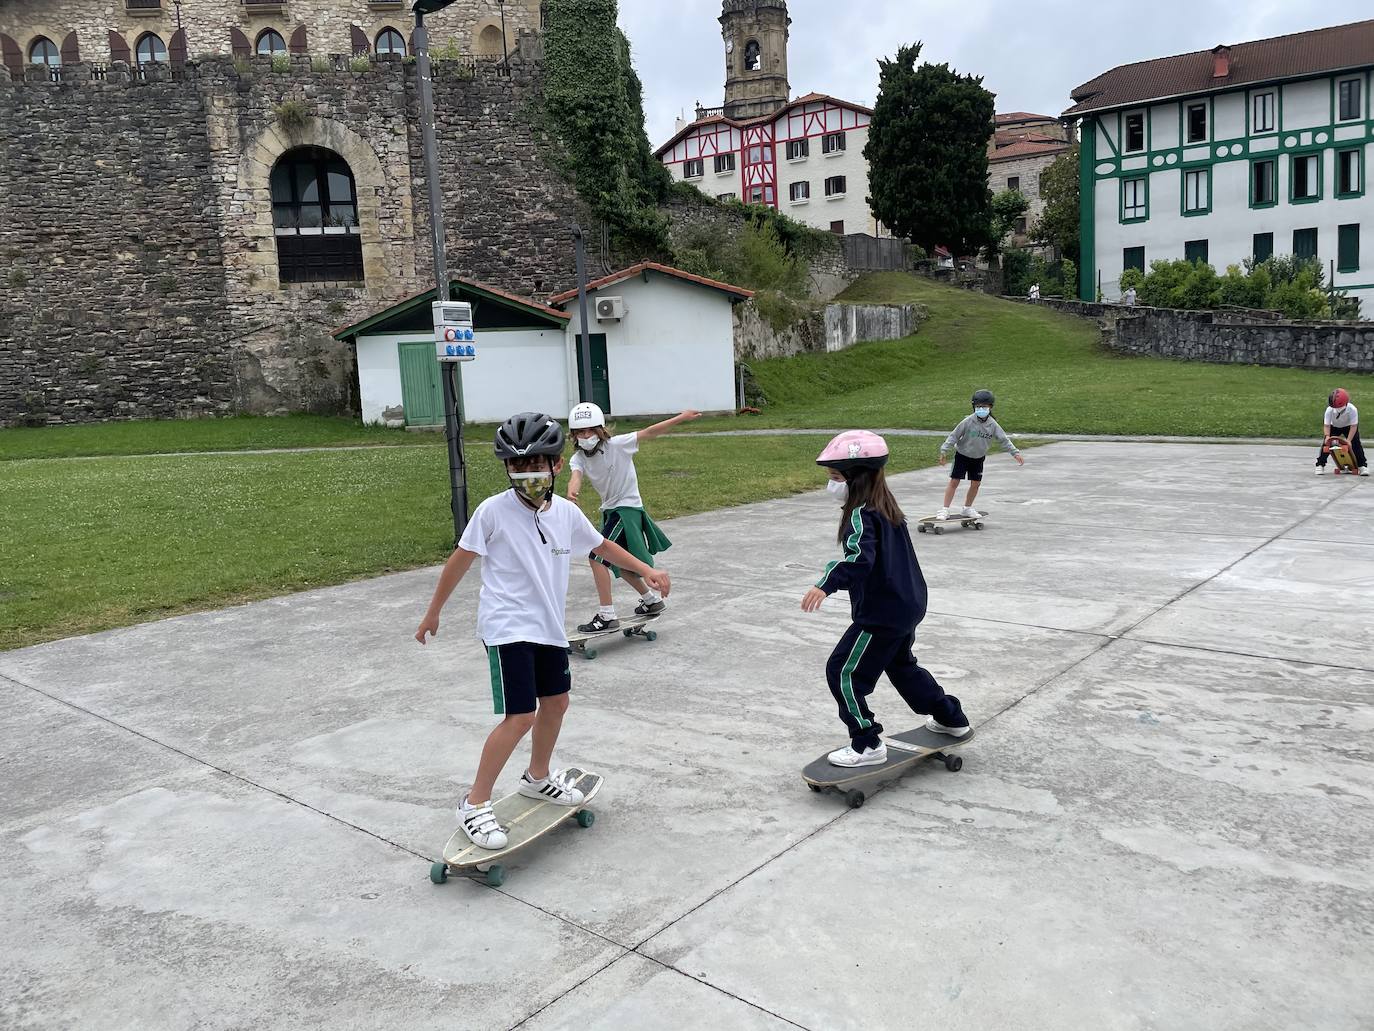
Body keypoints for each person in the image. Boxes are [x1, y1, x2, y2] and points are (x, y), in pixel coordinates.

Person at [415, 412, 672, 850]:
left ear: (556, 465)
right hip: (506, 625)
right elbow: (460, 559)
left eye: (536, 463)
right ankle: (474, 803)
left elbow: (600, 545)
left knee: (556, 703)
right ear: (506, 469)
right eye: (516, 465)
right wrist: (433, 611)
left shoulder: (566, 513)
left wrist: (646, 568)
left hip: (547, 625)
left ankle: (537, 777)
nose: (527, 473)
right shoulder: (492, 511)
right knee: (520, 715)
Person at [801, 430, 970, 766]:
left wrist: (826, 583)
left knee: (842, 672)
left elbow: (858, 560)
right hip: (907, 604)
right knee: (901, 665)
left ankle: (866, 743)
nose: (831, 485)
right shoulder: (885, 506)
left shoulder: (862, 514)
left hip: (882, 613)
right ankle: (951, 717)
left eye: (836, 477)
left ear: (856, 477)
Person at [565, 403, 699, 632]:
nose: (585, 436)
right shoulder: (579, 458)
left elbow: (649, 432)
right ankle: (651, 601)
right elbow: (575, 476)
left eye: (589, 430)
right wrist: (572, 491)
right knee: (621, 562)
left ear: (599, 430)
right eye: (579, 432)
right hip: (612, 511)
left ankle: (607, 615)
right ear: (574, 435)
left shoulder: (618, 445)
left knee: (596, 556)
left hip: (626, 509)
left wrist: (681, 418)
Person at [937, 389, 1025, 520]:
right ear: (974, 407)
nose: (981, 409)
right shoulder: (968, 421)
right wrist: (944, 451)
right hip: (962, 456)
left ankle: (967, 508)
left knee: (976, 483)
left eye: (984, 406)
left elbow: (1004, 440)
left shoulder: (993, 425)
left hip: (978, 458)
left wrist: (1015, 453)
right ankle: (944, 510)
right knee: (954, 481)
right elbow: (954, 436)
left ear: (990, 407)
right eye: (978, 407)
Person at [1316, 388, 1368, 475]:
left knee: (1356, 444)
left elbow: (1354, 426)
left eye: (1338, 407)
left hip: (1349, 427)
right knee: (1326, 444)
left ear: (1345, 403)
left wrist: (1349, 440)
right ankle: (1320, 465)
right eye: (1334, 407)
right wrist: (1327, 436)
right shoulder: (1329, 410)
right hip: (1334, 427)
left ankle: (1362, 466)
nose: (1336, 409)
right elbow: (1326, 425)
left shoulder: (1352, 409)